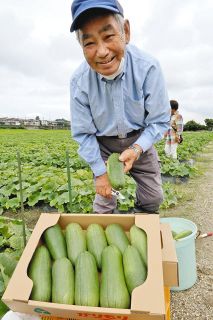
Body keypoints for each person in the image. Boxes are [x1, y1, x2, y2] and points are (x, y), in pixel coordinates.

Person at [70, 0, 171, 214]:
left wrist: (136, 149)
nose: (102, 52)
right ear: (81, 46)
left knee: (153, 197)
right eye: (89, 43)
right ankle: (109, 229)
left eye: (108, 37)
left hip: (140, 140)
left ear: (125, 31)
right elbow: (83, 134)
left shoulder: (148, 67)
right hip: (103, 145)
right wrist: (100, 172)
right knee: (104, 203)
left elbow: (159, 121)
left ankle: (142, 220)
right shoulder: (79, 81)